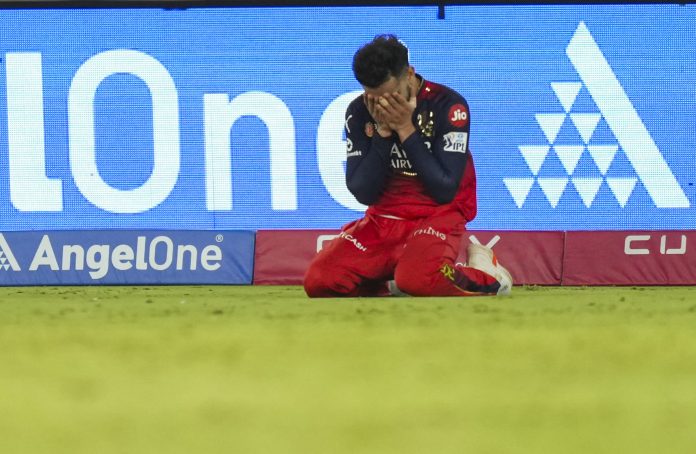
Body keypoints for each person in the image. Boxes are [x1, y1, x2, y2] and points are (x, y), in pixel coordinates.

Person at [304, 34, 512, 297]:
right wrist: (382, 133)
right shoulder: (359, 111)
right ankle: (392, 282)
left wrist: (405, 129)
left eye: (391, 96)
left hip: (438, 214)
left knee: (418, 279)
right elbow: (363, 192)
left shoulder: (448, 105)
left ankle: (487, 274)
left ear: (410, 75)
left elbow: (445, 190)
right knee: (320, 280)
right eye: (373, 97)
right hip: (384, 218)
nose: (383, 105)